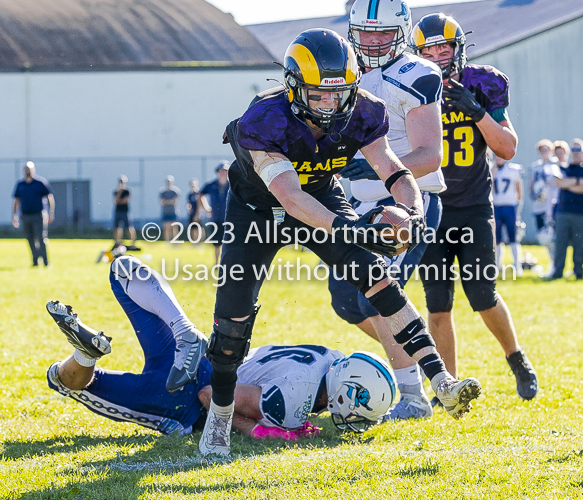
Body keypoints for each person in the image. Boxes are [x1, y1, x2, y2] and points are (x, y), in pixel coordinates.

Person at [191, 28, 481, 456]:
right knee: (232, 319)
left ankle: (441, 381)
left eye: (338, 93)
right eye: (318, 95)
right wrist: (355, 229)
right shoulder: (264, 119)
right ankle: (219, 415)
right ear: (292, 88)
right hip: (258, 207)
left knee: (377, 279)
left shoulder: (364, 110)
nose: (330, 104)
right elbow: (290, 198)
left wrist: (413, 213)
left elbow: (395, 171)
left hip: (322, 194)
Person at [46, 255, 395, 441]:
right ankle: (84, 356)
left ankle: (181, 328)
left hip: (202, 353)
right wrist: (265, 431)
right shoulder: (293, 401)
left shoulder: (330, 358)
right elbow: (211, 397)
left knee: (122, 269)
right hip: (182, 398)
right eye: (360, 409)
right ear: (348, 394)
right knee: (64, 381)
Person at [326, 0, 445, 422]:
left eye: (383, 33)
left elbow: (430, 155)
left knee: (381, 298)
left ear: (401, 31)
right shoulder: (343, 69)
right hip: (356, 206)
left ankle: (414, 396)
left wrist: (372, 167)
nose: (374, 42)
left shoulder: (417, 74)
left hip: (406, 202)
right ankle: (413, 363)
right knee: (347, 303)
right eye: (366, 33)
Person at [410, 13, 538, 401]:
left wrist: (476, 110)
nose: (435, 54)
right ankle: (447, 386)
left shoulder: (482, 83)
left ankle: (517, 359)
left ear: (458, 48)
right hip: (430, 208)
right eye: (427, 49)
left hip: (473, 207)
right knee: (437, 305)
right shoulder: (410, 86)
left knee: (482, 294)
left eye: (443, 47)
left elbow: (507, 148)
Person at [551, 139, 583, 279]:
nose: (576, 153)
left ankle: (578, 271)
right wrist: (577, 182)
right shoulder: (564, 168)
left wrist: (568, 184)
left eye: (579, 150)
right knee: (560, 244)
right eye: (574, 150)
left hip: (582, 213)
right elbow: (559, 182)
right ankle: (558, 271)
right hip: (563, 211)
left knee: (580, 244)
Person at [12, 161, 55, 267]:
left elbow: (50, 198)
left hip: (38, 215)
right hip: (25, 215)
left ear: (33, 170)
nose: (28, 171)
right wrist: (14, 215)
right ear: (23, 171)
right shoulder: (20, 185)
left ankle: (46, 262)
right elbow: (16, 201)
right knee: (29, 238)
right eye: (26, 169)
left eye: (29, 169)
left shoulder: (40, 183)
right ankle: (35, 261)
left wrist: (51, 212)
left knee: (41, 238)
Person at [529, 140, 562, 275]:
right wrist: (536, 195)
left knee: (554, 236)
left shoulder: (555, 165)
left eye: (547, 150)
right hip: (539, 206)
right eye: (542, 150)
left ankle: (556, 266)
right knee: (545, 238)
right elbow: (531, 186)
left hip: (552, 205)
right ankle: (552, 264)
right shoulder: (535, 166)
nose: (544, 153)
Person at [492, 155, 524, 275]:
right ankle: (497, 266)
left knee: (513, 237)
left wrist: (518, 207)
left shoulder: (513, 170)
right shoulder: (491, 169)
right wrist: (493, 168)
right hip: (496, 206)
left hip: (510, 206)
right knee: (497, 238)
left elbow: (519, 190)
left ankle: (517, 265)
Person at [199, 162, 231, 264]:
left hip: (230, 218)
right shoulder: (211, 185)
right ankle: (217, 263)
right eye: (221, 171)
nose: (223, 173)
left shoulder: (232, 185)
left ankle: (228, 263)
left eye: (225, 171)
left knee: (230, 242)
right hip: (216, 218)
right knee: (217, 243)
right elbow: (200, 195)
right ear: (217, 172)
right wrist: (206, 208)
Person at [113, 175, 139, 251]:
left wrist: (120, 200)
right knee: (117, 228)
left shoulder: (127, 191)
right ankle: (117, 242)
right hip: (118, 211)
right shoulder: (116, 191)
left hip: (125, 211)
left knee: (129, 227)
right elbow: (116, 201)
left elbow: (125, 201)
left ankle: (133, 243)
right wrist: (119, 192)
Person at [159, 175, 181, 245]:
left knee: (174, 227)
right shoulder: (163, 192)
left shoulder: (175, 191)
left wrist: (167, 201)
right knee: (166, 227)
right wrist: (169, 201)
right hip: (165, 212)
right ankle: (167, 242)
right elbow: (162, 202)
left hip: (173, 211)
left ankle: (175, 242)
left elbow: (175, 201)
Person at [186, 178, 203, 243]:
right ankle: (194, 241)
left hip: (198, 214)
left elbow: (200, 205)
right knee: (193, 228)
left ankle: (200, 242)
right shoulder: (190, 195)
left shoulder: (198, 194)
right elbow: (188, 203)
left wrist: (197, 214)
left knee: (199, 228)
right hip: (192, 214)